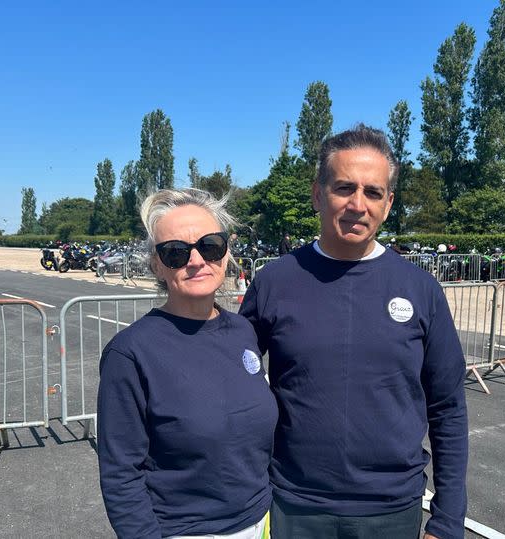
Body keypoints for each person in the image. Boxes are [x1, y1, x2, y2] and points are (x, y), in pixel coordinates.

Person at [239, 125, 468, 539]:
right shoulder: (274, 283)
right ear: (317, 194)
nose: (357, 204)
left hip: (392, 509)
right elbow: (236, 389)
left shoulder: (421, 290)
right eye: (344, 187)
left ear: (389, 202)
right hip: (293, 504)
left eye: (373, 192)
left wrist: (449, 518)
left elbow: (448, 407)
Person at [97, 188, 278, 539]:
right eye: (176, 253)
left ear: (226, 253)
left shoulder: (242, 331)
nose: (196, 261)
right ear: (157, 265)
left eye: (210, 246)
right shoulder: (131, 353)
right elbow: (121, 474)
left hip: (262, 521)